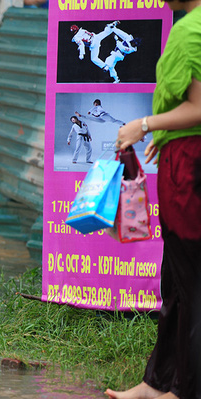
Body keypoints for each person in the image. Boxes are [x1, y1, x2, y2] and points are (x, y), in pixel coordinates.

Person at [107, 0, 201, 398]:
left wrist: (145, 125)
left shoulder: (193, 29)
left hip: (191, 167)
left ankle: (185, 390)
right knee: (176, 281)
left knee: (193, 283)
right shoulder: (189, 24)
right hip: (181, 157)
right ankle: (157, 383)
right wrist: (163, 136)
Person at [71, 21, 135, 72]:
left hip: (93, 44)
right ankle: (111, 26)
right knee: (106, 32)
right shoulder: (82, 30)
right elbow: (83, 40)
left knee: (93, 58)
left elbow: (81, 44)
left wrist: (81, 54)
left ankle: (105, 66)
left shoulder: (76, 37)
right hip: (96, 37)